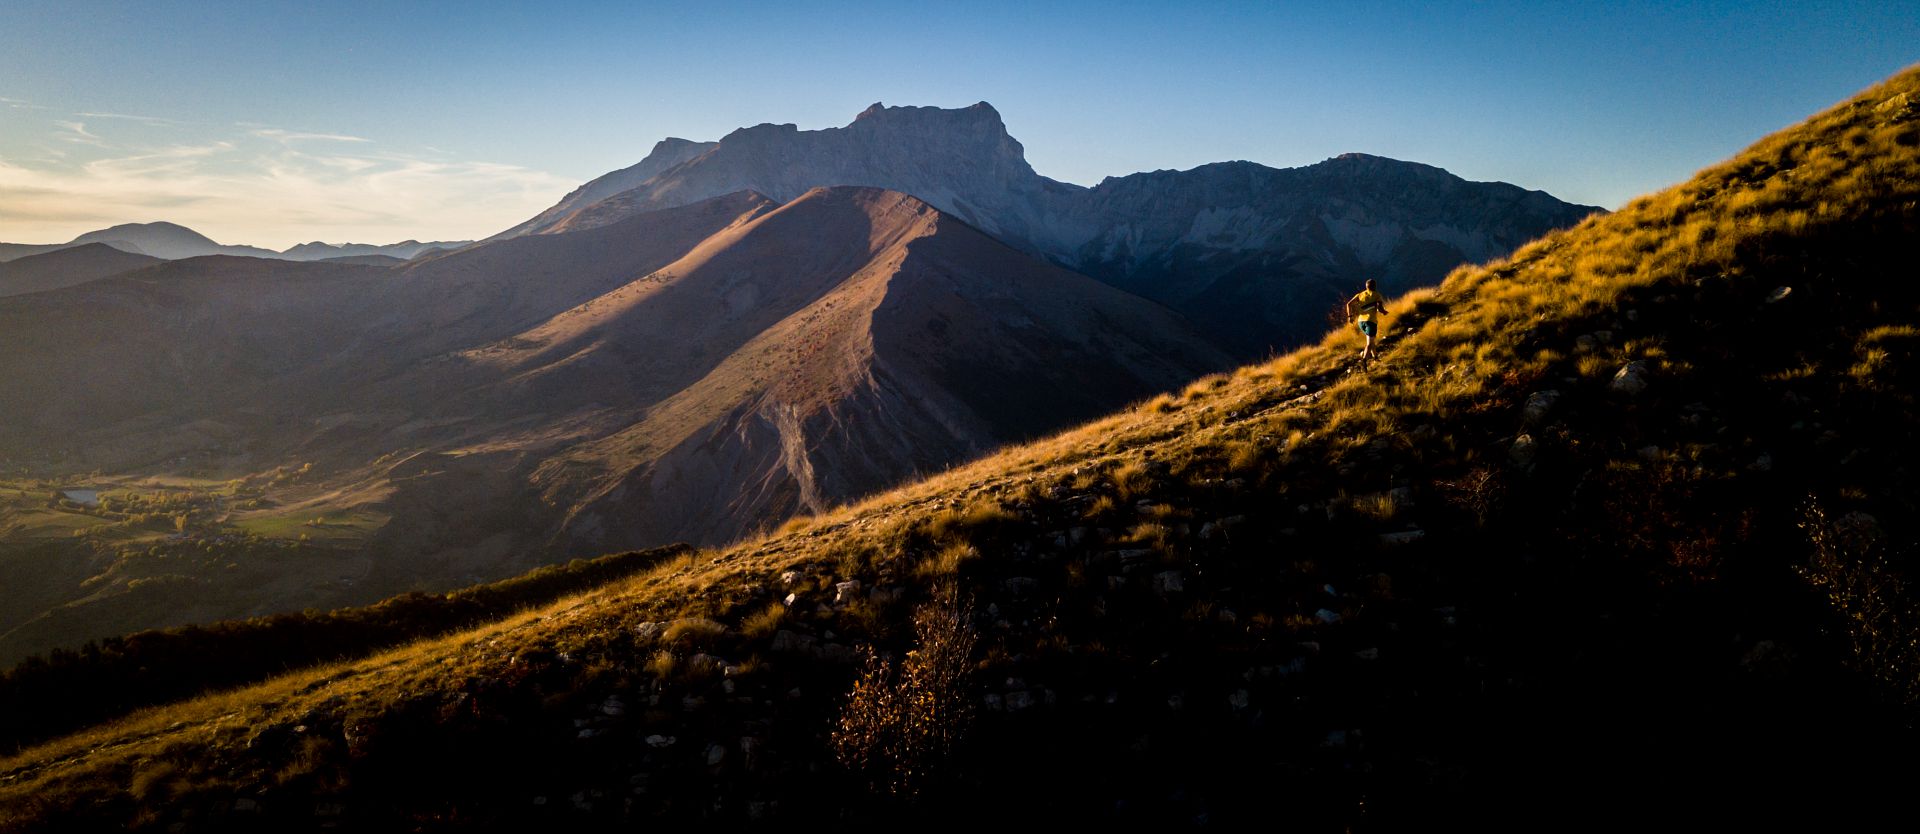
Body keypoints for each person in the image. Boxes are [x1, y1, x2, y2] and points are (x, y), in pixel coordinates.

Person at [1345, 279, 1386, 365]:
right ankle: (1364, 360)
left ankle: (1376, 358)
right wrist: (1384, 312)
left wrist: (1350, 316)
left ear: (1366, 286)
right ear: (1375, 286)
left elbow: (1348, 304)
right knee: (1369, 344)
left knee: (1371, 341)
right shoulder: (1376, 295)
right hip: (1371, 321)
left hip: (1361, 322)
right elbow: (1380, 308)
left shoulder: (1359, 295)